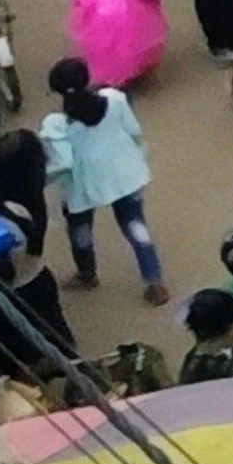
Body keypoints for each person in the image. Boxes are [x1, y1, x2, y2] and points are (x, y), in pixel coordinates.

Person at [39, 55, 164, 305]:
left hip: (83, 187)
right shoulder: (115, 99)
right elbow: (134, 130)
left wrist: (42, 180)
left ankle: (87, 274)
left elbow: (62, 163)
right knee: (135, 226)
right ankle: (154, 282)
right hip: (124, 174)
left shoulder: (56, 124)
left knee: (80, 231)